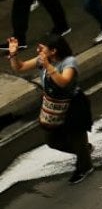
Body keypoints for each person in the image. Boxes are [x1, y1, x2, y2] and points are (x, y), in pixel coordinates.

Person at [8, 33, 92, 183]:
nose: (38, 50)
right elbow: (20, 67)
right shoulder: (42, 59)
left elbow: (63, 82)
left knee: (76, 136)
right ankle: (83, 150)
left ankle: (85, 166)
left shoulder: (69, 62)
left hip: (73, 106)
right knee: (52, 140)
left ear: (53, 51)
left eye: (42, 48)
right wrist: (13, 54)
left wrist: (48, 66)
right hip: (52, 105)